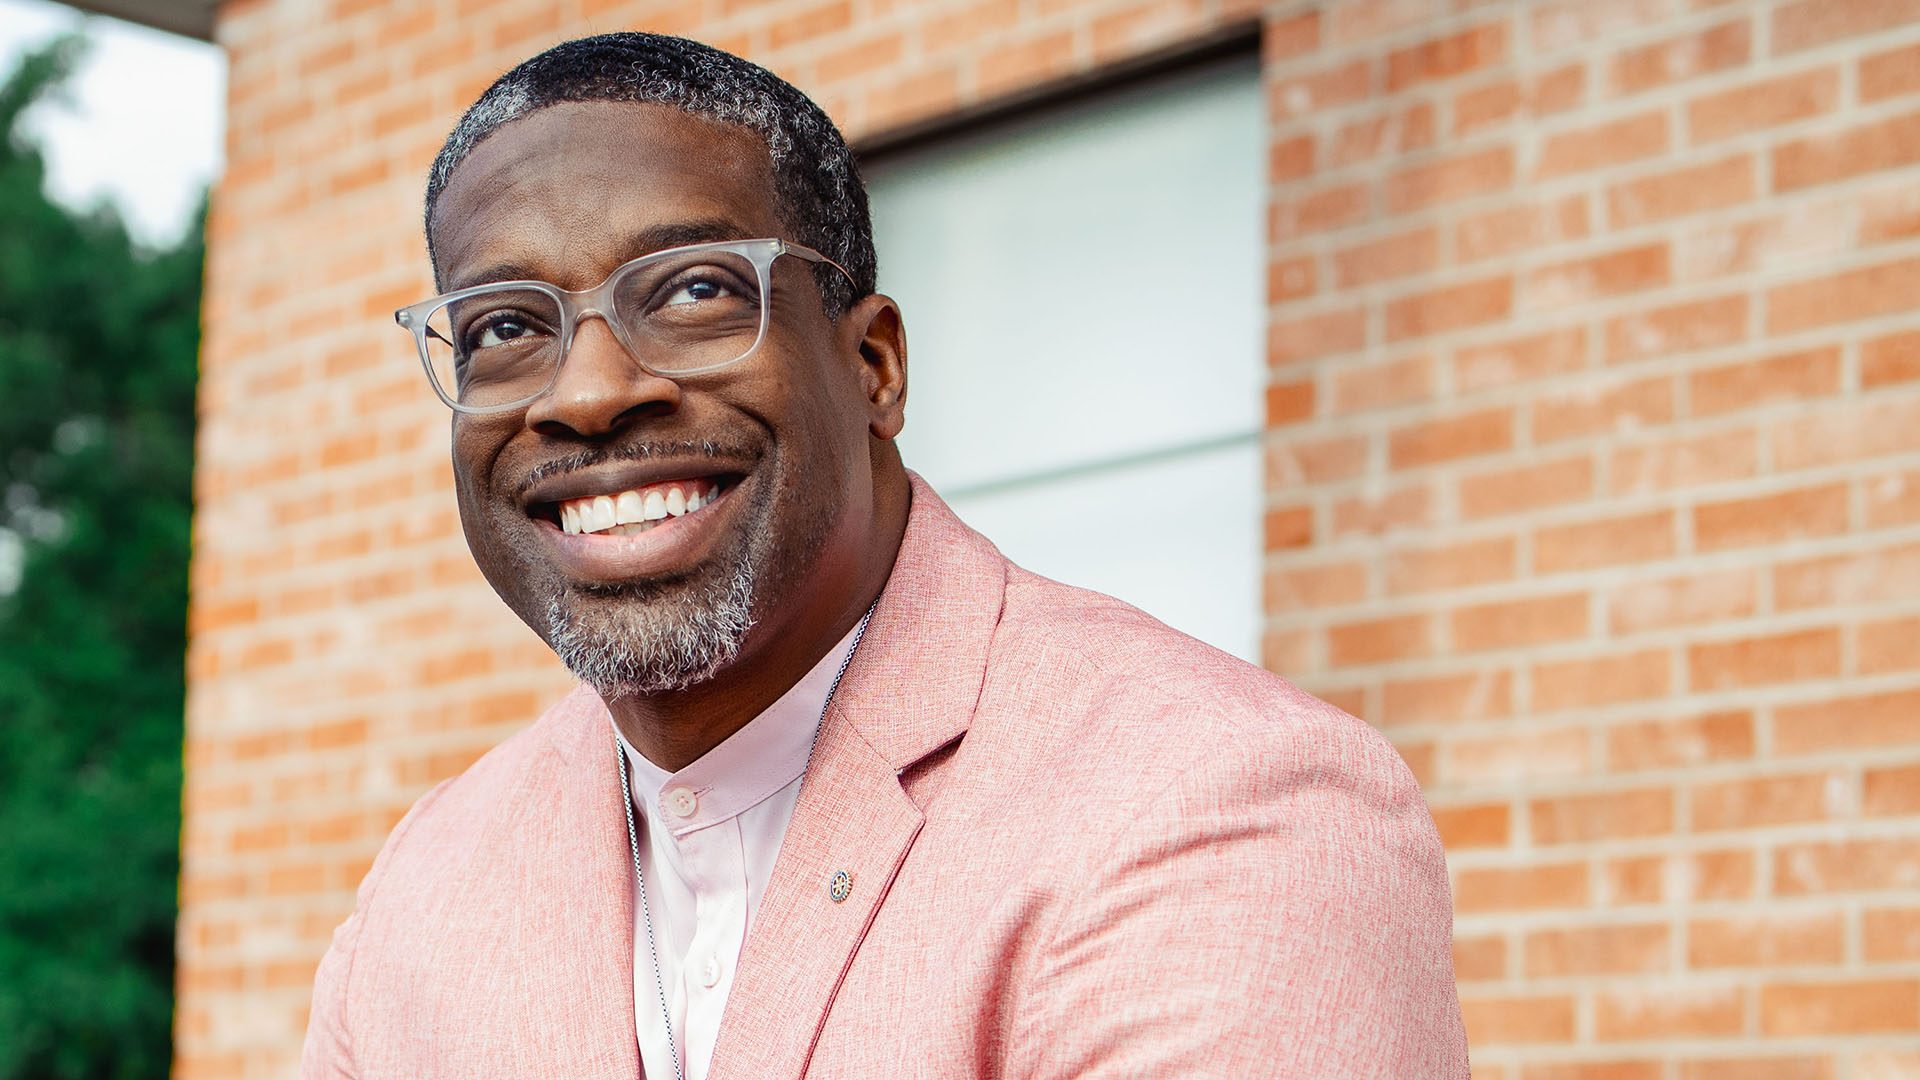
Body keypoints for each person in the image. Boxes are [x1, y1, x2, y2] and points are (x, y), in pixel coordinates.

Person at [301, 31, 1467, 1080]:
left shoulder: (1218, 808)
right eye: (507, 326)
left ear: (874, 369)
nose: (594, 392)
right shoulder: (428, 883)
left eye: (698, 290)